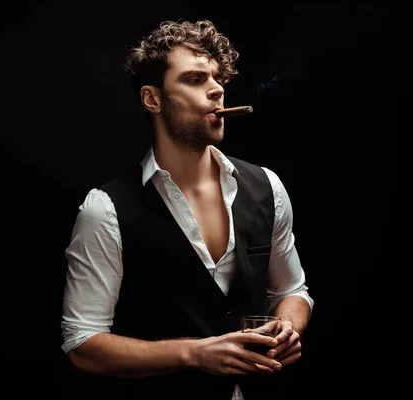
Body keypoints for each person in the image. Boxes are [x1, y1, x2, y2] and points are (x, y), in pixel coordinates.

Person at [60, 19, 314, 399]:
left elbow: (292, 291)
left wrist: (289, 327)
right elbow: (83, 346)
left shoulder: (267, 187)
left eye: (217, 78)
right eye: (195, 80)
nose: (216, 90)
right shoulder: (106, 210)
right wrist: (194, 354)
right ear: (153, 99)